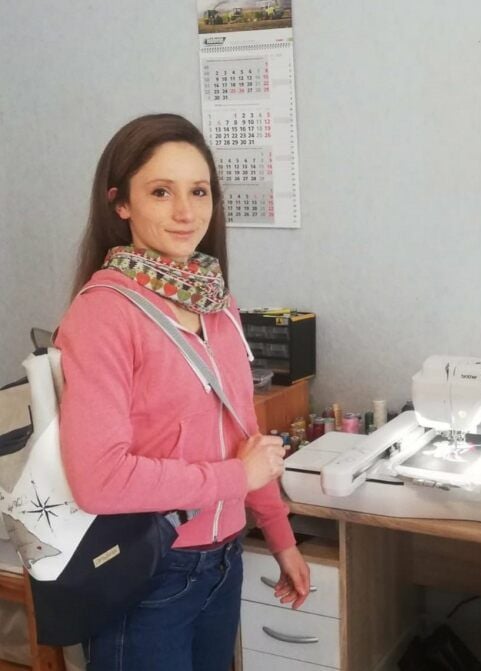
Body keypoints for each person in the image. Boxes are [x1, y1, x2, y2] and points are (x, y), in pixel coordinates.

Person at [57, 113, 311, 671]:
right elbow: (98, 479)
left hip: (222, 561)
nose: (186, 212)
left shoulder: (213, 300)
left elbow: (244, 431)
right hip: (150, 570)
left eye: (198, 191)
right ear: (120, 204)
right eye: (160, 191)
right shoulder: (104, 313)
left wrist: (279, 534)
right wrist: (233, 479)